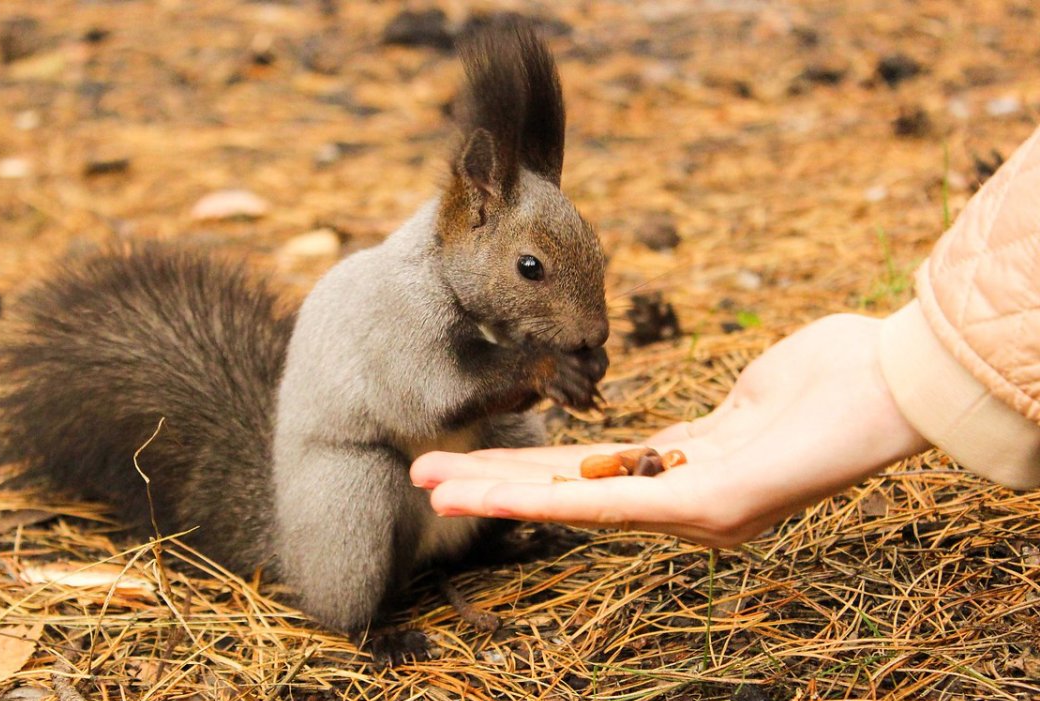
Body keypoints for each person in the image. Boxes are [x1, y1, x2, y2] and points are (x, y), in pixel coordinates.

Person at [411, 124, 1040, 548]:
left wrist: (906, 372)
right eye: (531, 271)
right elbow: (416, 392)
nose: (597, 333)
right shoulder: (416, 295)